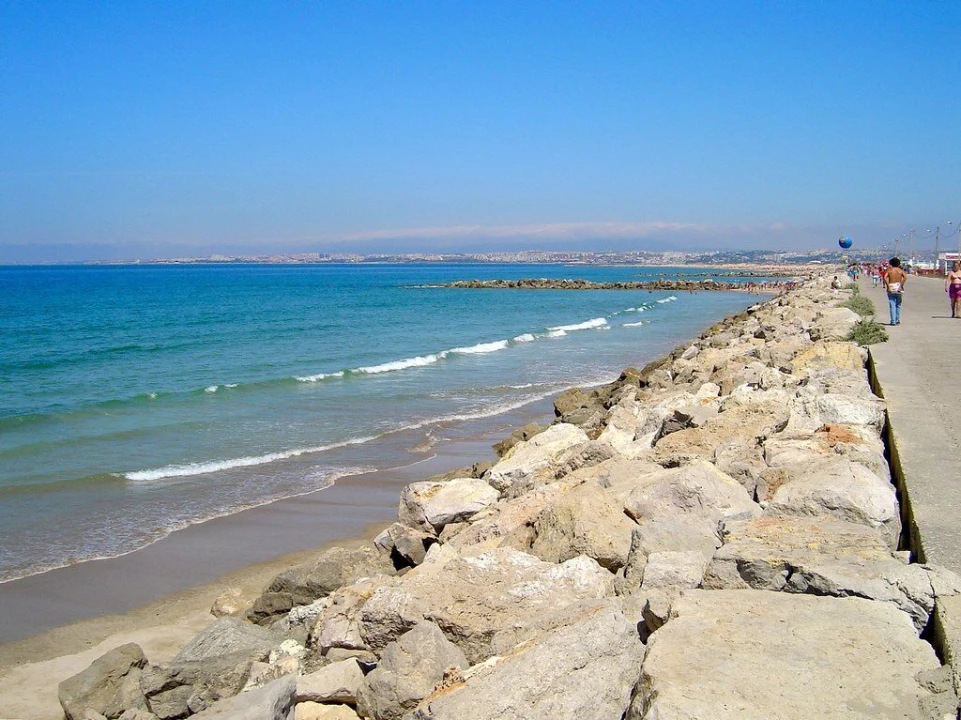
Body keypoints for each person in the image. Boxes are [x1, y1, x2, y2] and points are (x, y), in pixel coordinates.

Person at [883, 257, 907, 326]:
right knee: (898, 304)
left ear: (891, 263)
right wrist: (901, 285)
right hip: (898, 287)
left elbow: (885, 277)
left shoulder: (889, 270)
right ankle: (897, 319)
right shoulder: (900, 271)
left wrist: (888, 286)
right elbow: (905, 277)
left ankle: (893, 320)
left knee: (892, 304)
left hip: (891, 287)